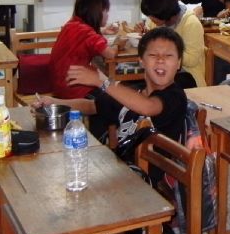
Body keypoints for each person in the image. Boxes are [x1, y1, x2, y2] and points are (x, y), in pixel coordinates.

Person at [37, 27, 187, 147]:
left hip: (146, 174)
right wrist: (55, 103)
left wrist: (102, 81)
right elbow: (92, 106)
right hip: (120, 165)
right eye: (153, 55)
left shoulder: (175, 96)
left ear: (179, 62)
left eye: (168, 56)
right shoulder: (133, 92)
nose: (160, 60)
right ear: (141, 61)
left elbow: (148, 107)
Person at [49, 0, 125, 100]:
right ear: (96, 13)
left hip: (60, 84)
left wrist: (103, 30)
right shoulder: (88, 33)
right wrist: (118, 43)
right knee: (115, 96)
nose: (108, 15)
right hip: (75, 88)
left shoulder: (71, 24)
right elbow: (110, 54)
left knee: (105, 80)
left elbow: (83, 38)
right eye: (106, 11)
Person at [142, 0, 206, 88]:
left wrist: (166, 51)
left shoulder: (191, 23)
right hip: (160, 70)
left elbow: (192, 59)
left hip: (186, 75)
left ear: (165, 13)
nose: (150, 19)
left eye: (152, 16)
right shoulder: (156, 21)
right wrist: (145, 36)